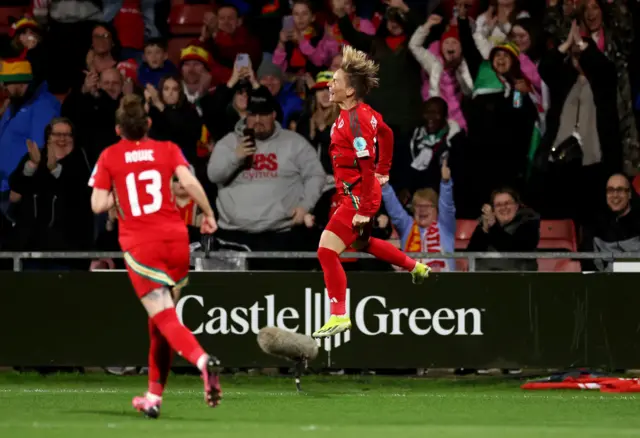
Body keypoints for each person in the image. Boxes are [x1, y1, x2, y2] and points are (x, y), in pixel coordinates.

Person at [88, 95, 222, 418]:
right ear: (148, 124)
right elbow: (188, 181)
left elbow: (97, 204)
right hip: (175, 240)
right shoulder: (167, 149)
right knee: (159, 323)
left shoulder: (109, 156)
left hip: (142, 244)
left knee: (164, 318)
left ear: (119, 129)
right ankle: (153, 396)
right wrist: (208, 214)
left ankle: (203, 361)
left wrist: (118, 193)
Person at [312, 46, 430, 339]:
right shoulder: (363, 113)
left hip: (358, 196)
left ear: (350, 91)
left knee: (326, 252)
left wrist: (365, 210)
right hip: (359, 192)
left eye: (336, 82)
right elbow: (387, 133)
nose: (330, 85)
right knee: (364, 245)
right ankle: (414, 267)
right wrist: (385, 168)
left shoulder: (354, 122)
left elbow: (365, 167)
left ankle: (339, 315)